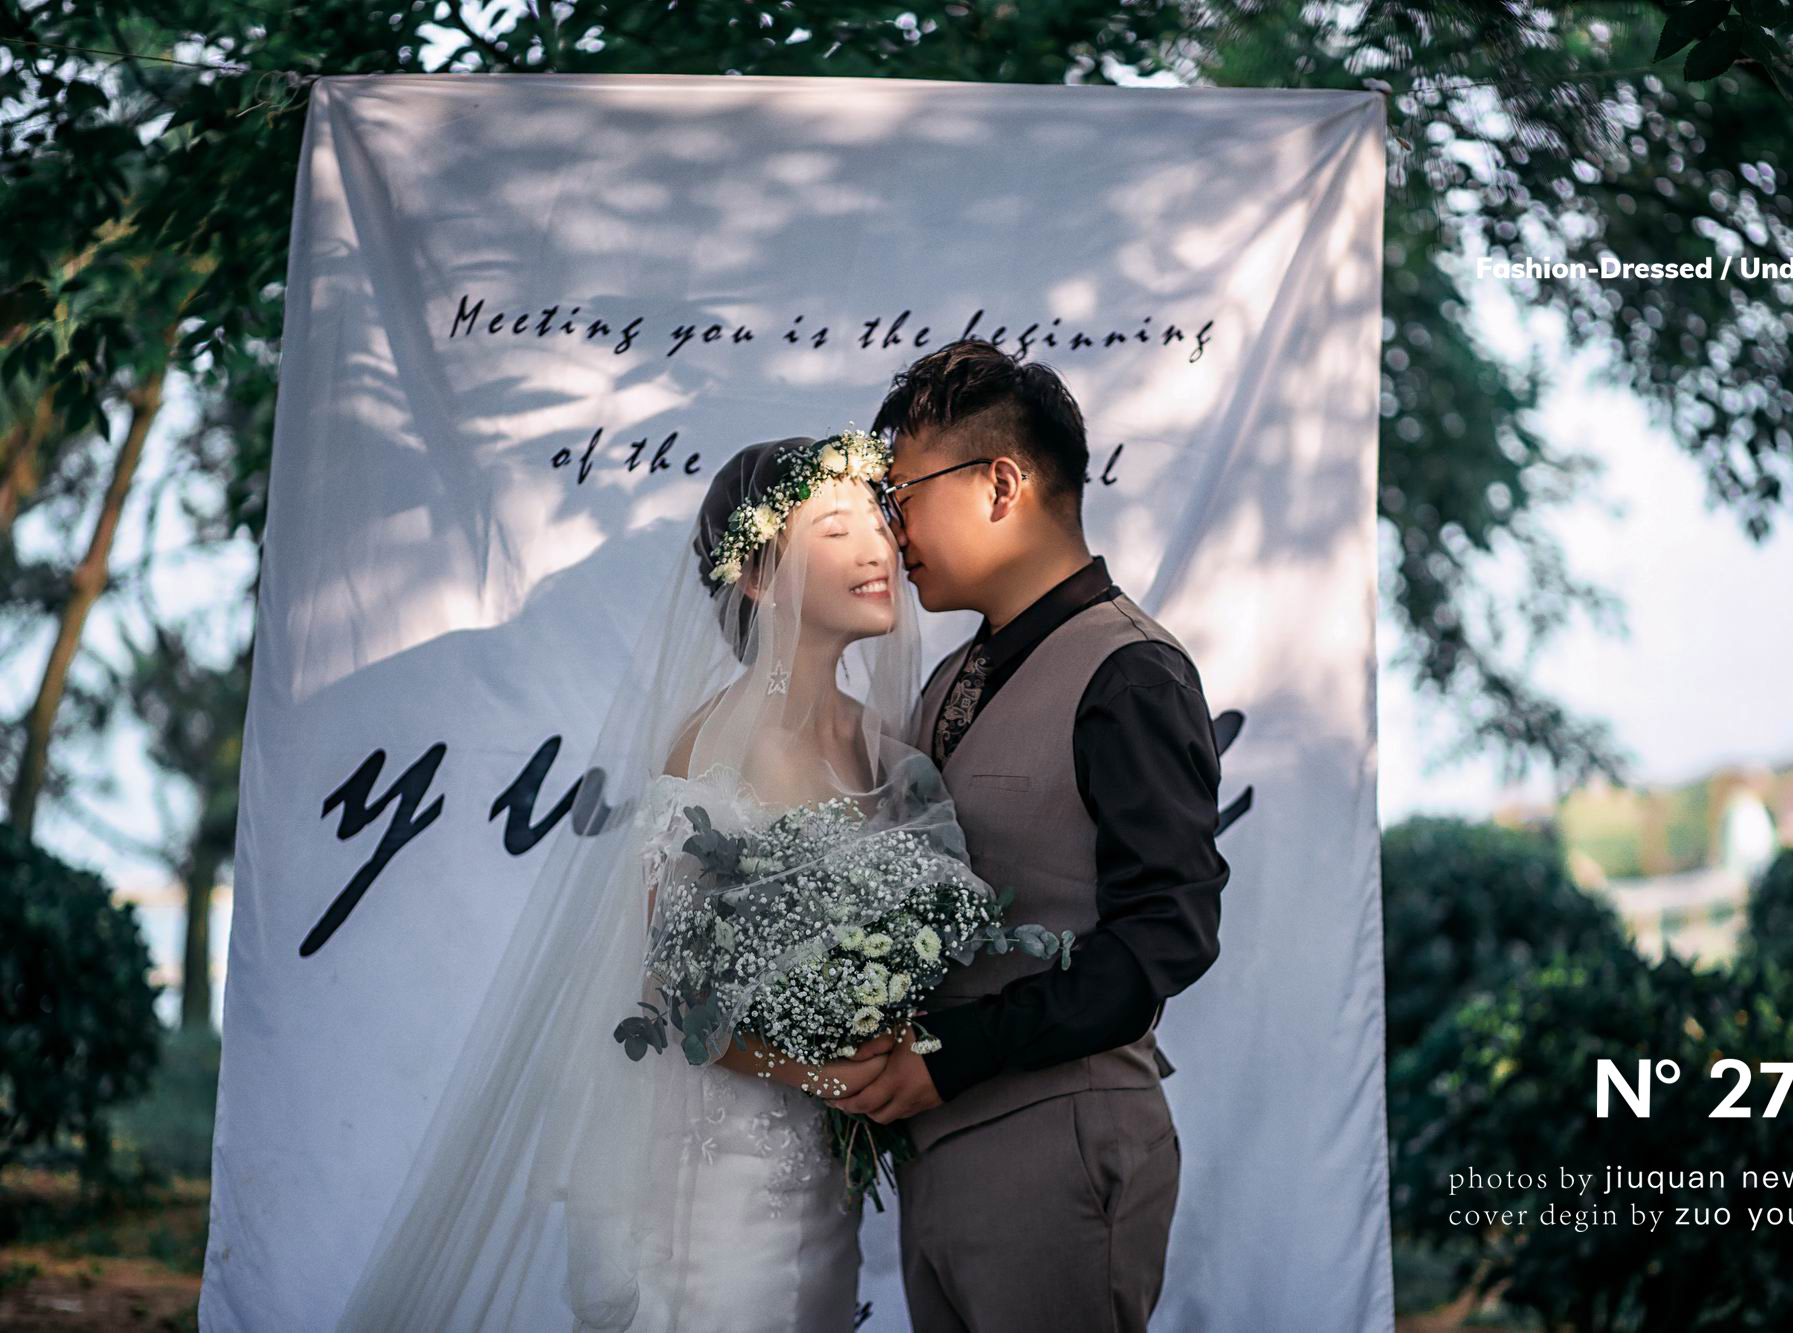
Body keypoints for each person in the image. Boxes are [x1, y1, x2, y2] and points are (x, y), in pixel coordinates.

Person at [334, 433, 984, 1332]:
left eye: (875, 520)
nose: (877, 547)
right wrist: (812, 1068)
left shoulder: (888, 748)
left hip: (823, 1169)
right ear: (755, 577)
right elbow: (675, 992)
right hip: (726, 1170)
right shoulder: (712, 745)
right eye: (836, 529)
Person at [834, 340, 1230, 1331]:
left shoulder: (1130, 673)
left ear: (1000, 484)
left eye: (903, 495)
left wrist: (952, 1050)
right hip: (940, 1157)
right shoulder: (948, 680)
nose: (892, 530)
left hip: (1060, 1144)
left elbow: (1165, 935)